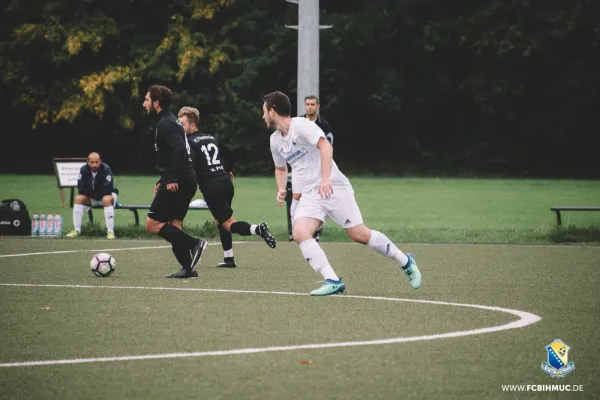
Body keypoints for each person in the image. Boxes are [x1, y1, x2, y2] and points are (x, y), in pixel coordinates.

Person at [263, 91, 422, 296]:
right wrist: (281, 188)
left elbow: (325, 147)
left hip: (334, 187)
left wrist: (326, 179)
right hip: (311, 194)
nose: (263, 116)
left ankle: (406, 261)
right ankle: (332, 280)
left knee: (359, 234)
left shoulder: (302, 125)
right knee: (299, 233)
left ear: (273, 111)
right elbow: (281, 168)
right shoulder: (275, 141)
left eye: (264, 111)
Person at [178, 106, 276, 268]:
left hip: (212, 187)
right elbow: (230, 154)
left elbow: (188, 166)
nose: (179, 127)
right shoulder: (210, 138)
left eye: (182, 124)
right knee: (220, 220)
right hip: (226, 183)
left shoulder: (187, 142)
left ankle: (258, 229)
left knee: (229, 223)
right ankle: (228, 258)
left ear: (193, 125)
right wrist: (228, 170)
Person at [143, 85, 207, 279]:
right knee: (174, 225)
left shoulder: (166, 123)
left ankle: (195, 243)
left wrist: (170, 178)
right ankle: (187, 269)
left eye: (146, 100)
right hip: (185, 179)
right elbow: (177, 152)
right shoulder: (171, 121)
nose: (144, 103)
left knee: (153, 224)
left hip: (179, 180)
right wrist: (164, 177)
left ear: (156, 103)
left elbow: (179, 150)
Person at [287, 95, 333, 241]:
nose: (310, 107)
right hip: (299, 167)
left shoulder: (323, 125)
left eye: (313, 104)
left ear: (317, 106)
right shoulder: (298, 122)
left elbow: (328, 145)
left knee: (316, 195)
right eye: (307, 104)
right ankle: (295, 229)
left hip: (316, 167)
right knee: (296, 196)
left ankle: (315, 231)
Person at [66, 152, 118, 239]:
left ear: (100, 161)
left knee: (106, 199)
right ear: (88, 162)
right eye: (92, 162)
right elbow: (81, 189)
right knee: (79, 198)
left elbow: (108, 189)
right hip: (92, 197)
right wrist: (92, 193)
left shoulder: (106, 169)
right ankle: (77, 229)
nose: (94, 164)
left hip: (107, 197)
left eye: (96, 162)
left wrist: (92, 192)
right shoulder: (83, 169)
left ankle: (110, 231)